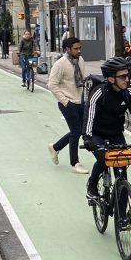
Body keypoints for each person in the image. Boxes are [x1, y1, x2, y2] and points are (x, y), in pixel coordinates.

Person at [82, 57, 131, 204]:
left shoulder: (128, 94)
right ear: (110, 78)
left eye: (128, 75)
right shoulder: (99, 93)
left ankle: (123, 216)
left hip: (116, 135)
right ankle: (92, 184)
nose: (127, 79)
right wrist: (87, 138)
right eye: (122, 76)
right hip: (96, 135)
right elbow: (89, 116)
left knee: (122, 169)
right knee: (105, 160)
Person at [47, 37, 89, 174]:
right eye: (76, 49)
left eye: (80, 48)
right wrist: (65, 101)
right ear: (68, 49)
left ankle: (55, 147)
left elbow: (81, 79)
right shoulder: (61, 64)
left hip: (79, 101)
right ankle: (75, 163)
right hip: (67, 102)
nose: (79, 51)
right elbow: (52, 84)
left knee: (81, 130)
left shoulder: (81, 61)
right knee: (76, 131)